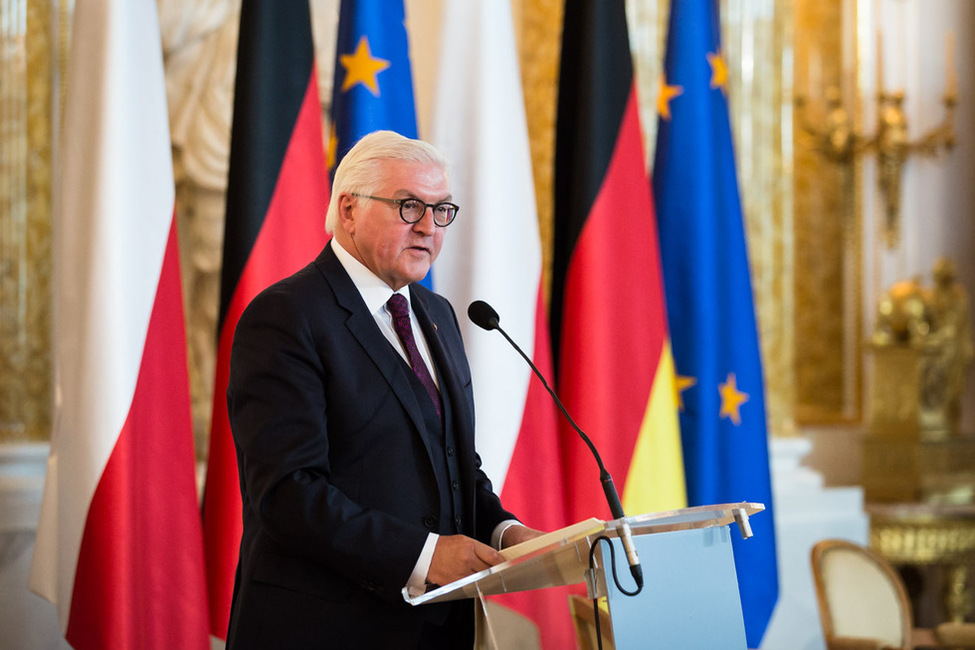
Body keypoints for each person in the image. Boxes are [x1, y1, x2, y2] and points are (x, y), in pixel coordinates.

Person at [225, 130, 541, 648]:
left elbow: (454, 465)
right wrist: (424, 555)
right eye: (408, 206)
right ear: (347, 209)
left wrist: (506, 532)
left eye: (441, 210)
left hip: (438, 629)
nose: (427, 227)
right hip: (323, 628)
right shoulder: (286, 316)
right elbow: (287, 492)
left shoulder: (437, 315)